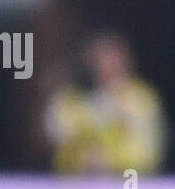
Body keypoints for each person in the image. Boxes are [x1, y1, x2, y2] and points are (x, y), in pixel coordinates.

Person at [44, 30, 165, 175]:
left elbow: (150, 149)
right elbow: (54, 136)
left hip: (129, 186)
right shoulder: (70, 97)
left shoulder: (140, 99)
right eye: (100, 58)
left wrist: (112, 162)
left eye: (113, 58)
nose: (107, 65)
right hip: (76, 186)